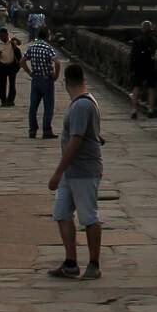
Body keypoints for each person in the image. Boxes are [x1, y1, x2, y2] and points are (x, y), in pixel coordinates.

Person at [47, 63, 106, 280]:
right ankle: (70, 262)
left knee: (88, 216)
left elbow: (76, 140)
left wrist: (57, 171)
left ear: (65, 82)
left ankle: (94, 263)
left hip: (83, 170)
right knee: (61, 213)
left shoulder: (81, 105)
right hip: (73, 171)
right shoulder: (84, 103)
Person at [25, 30, 60, 139]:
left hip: (35, 79)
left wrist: (30, 72)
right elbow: (57, 62)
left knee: (33, 106)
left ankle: (32, 130)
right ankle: (46, 130)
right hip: (46, 79)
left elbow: (22, 61)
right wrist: (56, 75)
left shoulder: (32, 47)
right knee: (48, 106)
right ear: (47, 36)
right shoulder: (48, 48)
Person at [128, 23, 157, 119]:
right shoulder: (154, 41)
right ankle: (150, 109)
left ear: (142, 29)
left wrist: (131, 68)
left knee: (136, 88)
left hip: (138, 67)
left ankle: (134, 110)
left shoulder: (137, 40)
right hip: (150, 66)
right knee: (151, 89)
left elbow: (132, 56)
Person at [0, 34, 23, 108]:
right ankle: (3, 100)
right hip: (2, 66)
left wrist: (15, 40)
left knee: (12, 84)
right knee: (2, 84)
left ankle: (10, 100)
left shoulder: (11, 42)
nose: (3, 37)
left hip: (12, 66)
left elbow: (19, 43)